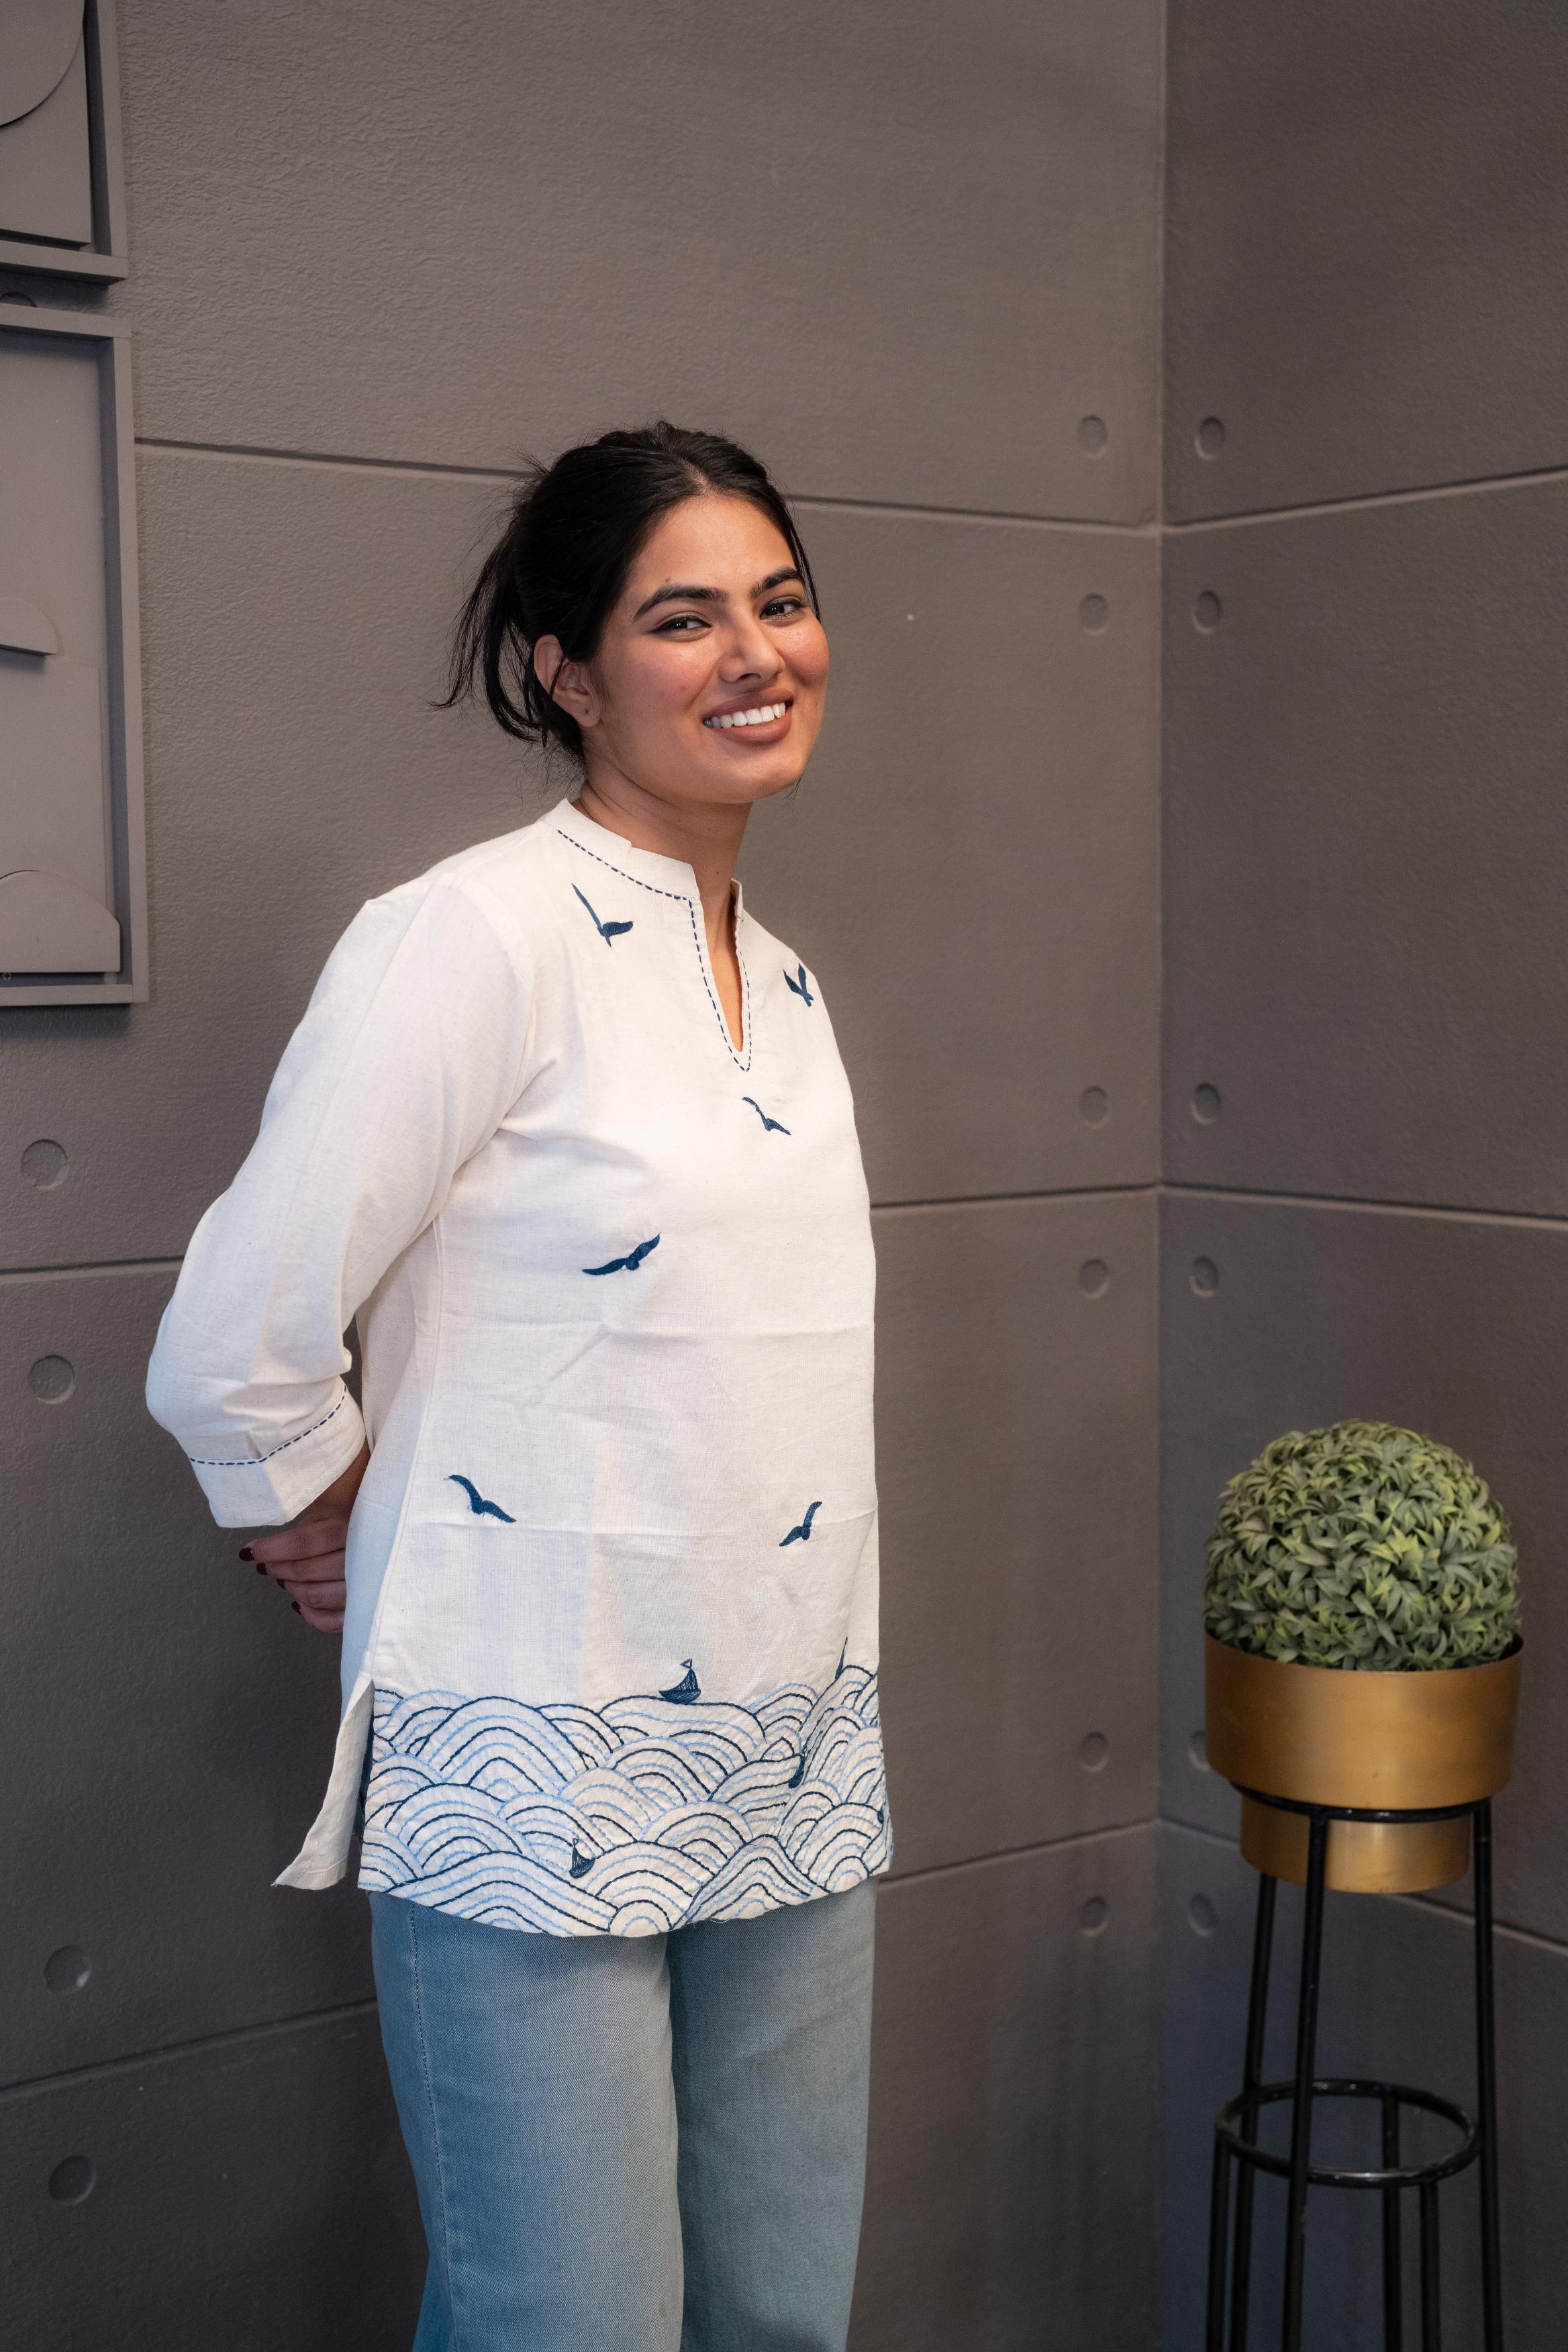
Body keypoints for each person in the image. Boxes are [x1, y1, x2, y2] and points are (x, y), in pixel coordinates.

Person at [145, 422, 889, 2351]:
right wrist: (331, 1522)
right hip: (528, 1753)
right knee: (569, 2325)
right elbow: (236, 1334)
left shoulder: (791, 986)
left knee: (780, 2319)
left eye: (781, 601)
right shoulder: (470, 936)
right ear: (566, 672)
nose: (757, 654)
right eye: (683, 618)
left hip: (791, 1743)